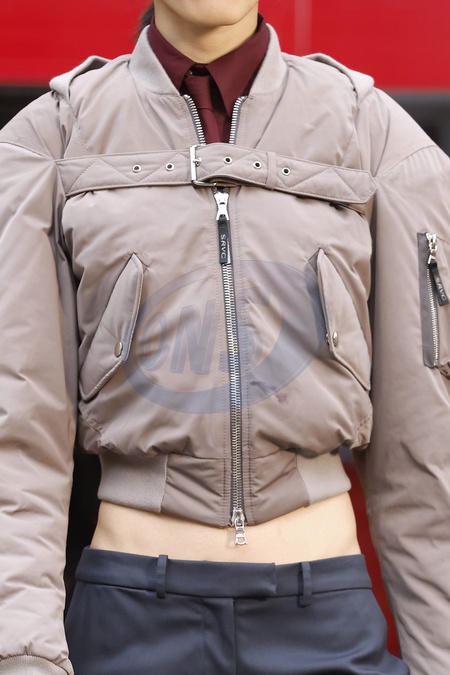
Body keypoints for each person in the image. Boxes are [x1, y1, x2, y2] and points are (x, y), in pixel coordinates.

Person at [0, 1, 449, 673]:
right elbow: (18, 435)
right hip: (130, 623)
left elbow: (427, 443)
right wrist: (23, 653)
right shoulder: (52, 137)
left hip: (326, 622)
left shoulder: (372, 133)